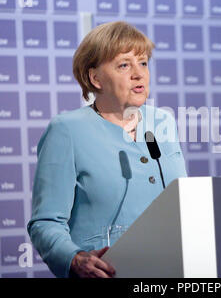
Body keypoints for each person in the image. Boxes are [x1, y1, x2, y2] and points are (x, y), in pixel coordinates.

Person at [27, 21, 187, 278]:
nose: (139, 74)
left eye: (143, 63)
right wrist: (74, 259)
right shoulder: (67, 131)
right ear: (95, 78)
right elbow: (45, 223)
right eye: (124, 65)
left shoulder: (163, 122)